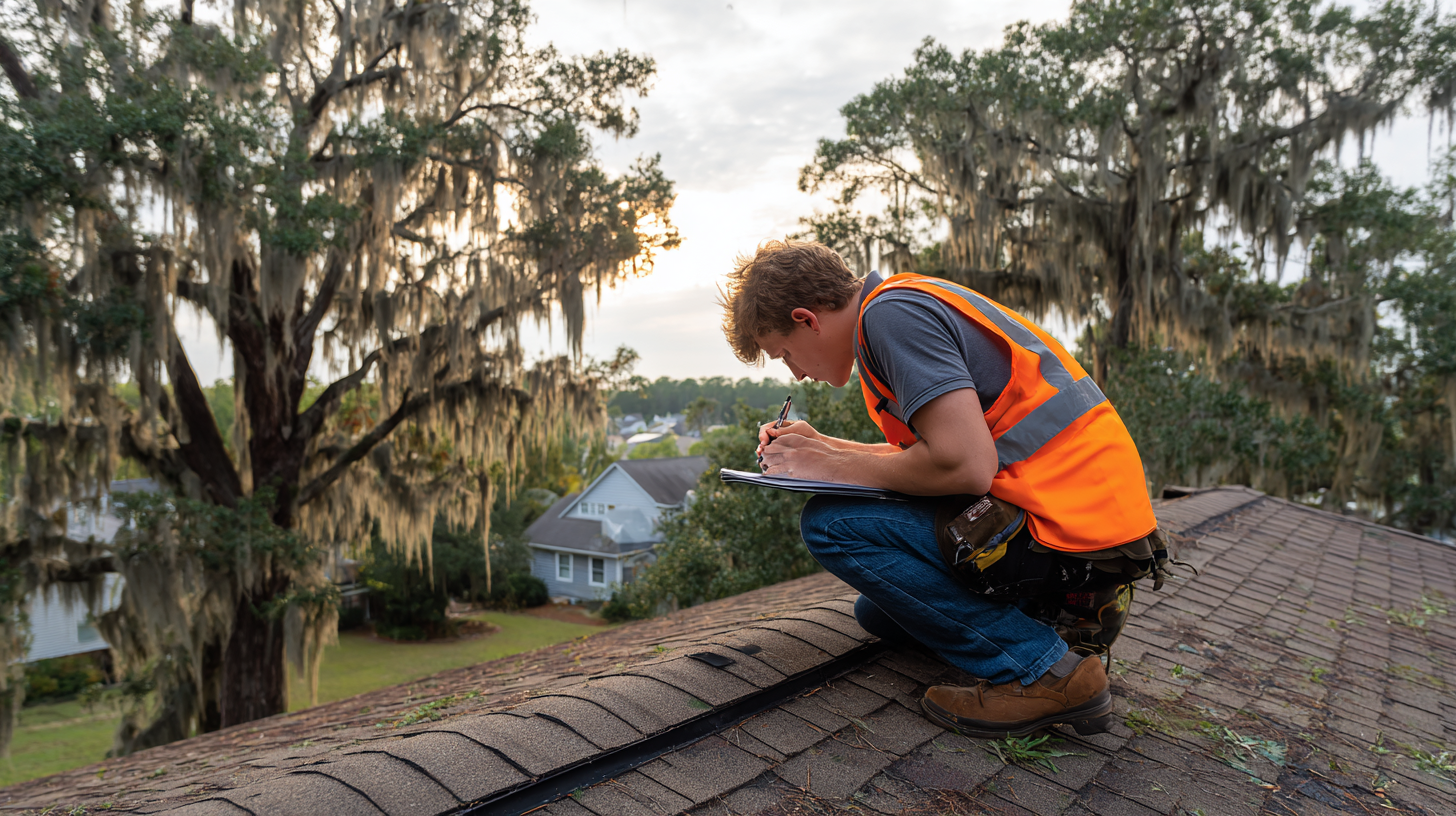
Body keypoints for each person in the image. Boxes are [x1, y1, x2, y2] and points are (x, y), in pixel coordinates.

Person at [720, 239, 1171, 738]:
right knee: (881, 611)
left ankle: (1047, 670)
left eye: (785, 354)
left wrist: (835, 467)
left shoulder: (890, 318)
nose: (797, 372)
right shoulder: (902, 302)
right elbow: (939, 456)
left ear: (807, 318)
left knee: (829, 523)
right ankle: (1047, 623)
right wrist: (823, 449)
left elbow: (964, 468)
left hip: (1072, 540)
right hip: (1090, 532)